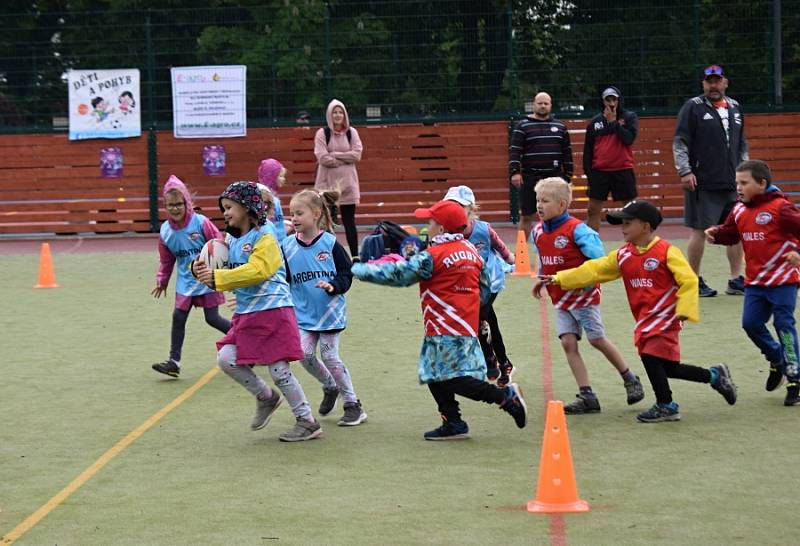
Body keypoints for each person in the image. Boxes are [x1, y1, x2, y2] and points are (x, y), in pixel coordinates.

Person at [533, 200, 738, 422]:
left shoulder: (667, 251)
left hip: (666, 316)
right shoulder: (624, 254)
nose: (622, 227)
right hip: (645, 318)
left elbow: (688, 280)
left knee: (649, 355)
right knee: (668, 368)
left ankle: (666, 404)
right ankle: (714, 376)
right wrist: (559, 278)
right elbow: (594, 269)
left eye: (628, 223)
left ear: (646, 227)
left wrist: (685, 308)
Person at [351, 200, 528, 440]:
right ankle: (452, 422)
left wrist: (359, 269)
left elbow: (399, 275)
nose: (427, 227)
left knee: (453, 378)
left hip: (444, 325)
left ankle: (505, 397)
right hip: (462, 323)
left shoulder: (433, 256)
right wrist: (478, 316)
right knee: (433, 370)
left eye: (430, 223)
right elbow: (484, 286)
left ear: (442, 229)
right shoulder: (470, 252)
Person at [193, 181, 322, 442]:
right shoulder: (229, 240)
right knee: (226, 358)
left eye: (229, 207)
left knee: (279, 371)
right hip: (248, 314)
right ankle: (266, 396)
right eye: (223, 208)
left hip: (275, 312)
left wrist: (218, 278)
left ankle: (307, 421)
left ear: (247, 208)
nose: (225, 213)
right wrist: (198, 268)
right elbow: (215, 264)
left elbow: (258, 271)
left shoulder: (266, 238)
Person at [531, 177, 645, 413]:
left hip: (583, 295)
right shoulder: (537, 231)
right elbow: (545, 260)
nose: (539, 205)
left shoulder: (578, 230)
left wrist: (588, 282)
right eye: (537, 200)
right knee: (567, 342)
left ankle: (630, 377)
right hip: (560, 297)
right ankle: (587, 396)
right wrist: (541, 280)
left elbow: (599, 261)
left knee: (596, 339)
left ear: (562, 205)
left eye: (545, 200)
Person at [705, 160, 800, 406]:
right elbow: (730, 233)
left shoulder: (782, 209)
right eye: (737, 182)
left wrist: (797, 254)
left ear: (762, 184)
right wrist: (716, 234)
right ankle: (777, 358)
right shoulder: (738, 209)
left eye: (744, 183)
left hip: (783, 282)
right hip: (756, 282)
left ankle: (794, 378)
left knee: (783, 324)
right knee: (751, 324)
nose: (738, 187)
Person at [281, 189, 368, 426]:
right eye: (292, 214)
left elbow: (346, 273)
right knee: (304, 354)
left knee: (329, 356)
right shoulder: (287, 246)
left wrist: (333, 285)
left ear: (316, 214)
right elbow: (283, 278)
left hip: (330, 312)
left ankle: (353, 404)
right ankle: (330, 386)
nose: (295, 218)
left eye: (299, 213)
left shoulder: (330, 244)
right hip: (304, 313)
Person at [673, 64, 747, 297]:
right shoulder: (692, 107)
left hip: (732, 182)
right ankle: (692, 280)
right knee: (699, 230)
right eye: (709, 81)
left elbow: (742, 144)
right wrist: (685, 171)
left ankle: (735, 279)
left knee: (735, 231)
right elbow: (680, 142)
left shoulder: (735, 107)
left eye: (717, 81)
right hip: (702, 181)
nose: (713, 85)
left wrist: (744, 174)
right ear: (703, 84)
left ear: (725, 83)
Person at [151, 175, 230, 378]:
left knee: (212, 318)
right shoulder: (166, 231)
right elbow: (166, 259)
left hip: (207, 279)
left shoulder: (200, 222)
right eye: (171, 205)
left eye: (179, 204)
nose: (175, 209)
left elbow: (219, 242)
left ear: (186, 203)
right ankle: (173, 362)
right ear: (165, 206)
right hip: (186, 281)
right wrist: (162, 279)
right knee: (178, 317)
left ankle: (247, 341)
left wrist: (219, 268)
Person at [443, 185, 515, 386]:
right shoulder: (447, 233)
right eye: (451, 206)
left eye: (460, 206)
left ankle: (493, 360)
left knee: (480, 315)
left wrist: (510, 259)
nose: (455, 211)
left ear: (471, 209)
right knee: (486, 319)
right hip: (468, 285)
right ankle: (502, 361)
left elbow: (498, 245)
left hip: (490, 281)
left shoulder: (483, 229)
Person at [508, 91, 574, 237]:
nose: (543, 106)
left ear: (550, 105)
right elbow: (515, 151)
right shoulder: (522, 126)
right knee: (526, 216)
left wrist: (568, 175)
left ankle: (557, 249)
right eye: (540, 103)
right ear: (534, 105)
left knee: (557, 215)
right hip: (530, 176)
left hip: (554, 178)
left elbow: (567, 153)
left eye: (546, 103)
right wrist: (515, 172)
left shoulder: (560, 127)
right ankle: (521, 254)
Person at [583, 86, 640, 232]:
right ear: (603, 102)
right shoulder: (594, 122)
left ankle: (633, 245)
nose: (611, 103)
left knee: (631, 209)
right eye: (608, 99)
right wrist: (589, 174)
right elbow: (588, 150)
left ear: (619, 100)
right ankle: (592, 248)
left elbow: (628, 139)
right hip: (599, 172)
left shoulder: (629, 117)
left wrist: (613, 122)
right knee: (592, 210)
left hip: (623, 169)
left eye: (614, 99)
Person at [314, 99, 363, 260]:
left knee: (350, 222)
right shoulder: (322, 133)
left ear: (345, 114)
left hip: (348, 185)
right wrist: (343, 159)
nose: (338, 115)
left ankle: (355, 257)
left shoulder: (352, 133)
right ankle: (328, 257)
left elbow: (357, 154)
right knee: (328, 223)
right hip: (327, 186)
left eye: (340, 112)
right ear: (330, 115)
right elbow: (322, 157)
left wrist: (334, 155)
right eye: (334, 112)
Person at [257, 158, 290, 241]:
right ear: (271, 177)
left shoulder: (260, 195)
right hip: (277, 242)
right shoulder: (272, 200)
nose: (283, 179)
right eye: (281, 176)